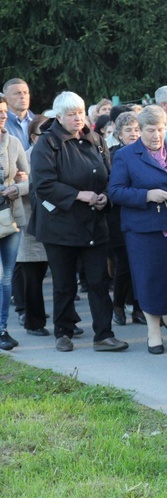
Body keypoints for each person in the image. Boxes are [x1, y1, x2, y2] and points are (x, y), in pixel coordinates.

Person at [29, 91, 128, 353]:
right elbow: (43, 184)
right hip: (59, 225)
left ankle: (104, 335)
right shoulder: (47, 144)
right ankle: (63, 332)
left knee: (97, 281)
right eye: (72, 114)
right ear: (59, 116)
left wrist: (104, 197)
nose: (78, 118)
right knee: (64, 284)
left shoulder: (95, 139)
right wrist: (78, 195)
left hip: (94, 223)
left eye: (81, 112)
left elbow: (109, 176)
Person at [109, 106, 167, 354]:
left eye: (160, 129)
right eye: (150, 130)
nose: (156, 135)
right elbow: (115, 192)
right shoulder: (126, 155)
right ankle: (153, 331)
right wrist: (146, 195)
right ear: (140, 131)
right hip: (144, 231)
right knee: (149, 280)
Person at [106, 112, 146, 327]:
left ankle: (139, 308)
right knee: (124, 265)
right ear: (119, 133)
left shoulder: (147, 153)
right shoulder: (112, 155)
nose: (134, 133)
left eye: (137, 129)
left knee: (141, 265)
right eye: (129, 130)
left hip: (142, 214)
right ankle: (118, 305)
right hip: (118, 218)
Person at [17, 115, 50, 338]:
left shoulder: (60, 156)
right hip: (30, 224)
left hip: (57, 226)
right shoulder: (26, 157)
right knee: (32, 278)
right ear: (33, 138)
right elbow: (16, 183)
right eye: (43, 135)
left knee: (63, 279)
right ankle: (34, 321)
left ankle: (67, 321)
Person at [0, 97, 29, 351]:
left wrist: (17, 187)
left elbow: (31, 178)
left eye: (2, 113)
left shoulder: (13, 142)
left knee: (6, 277)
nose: (1, 117)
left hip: (9, 217)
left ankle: (2, 329)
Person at [2, 78, 35, 150]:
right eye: (17, 93)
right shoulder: (2, 123)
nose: (23, 96)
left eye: (25, 92)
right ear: (5, 98)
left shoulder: (39, 122)